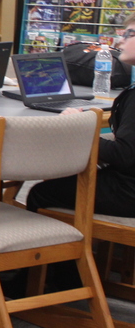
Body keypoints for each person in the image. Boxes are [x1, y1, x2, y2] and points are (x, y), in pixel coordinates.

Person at [27, 12, 135, 218]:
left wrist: (78, 128)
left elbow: (125, 155)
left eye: (129, 34)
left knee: (40, 194)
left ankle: (60, 248)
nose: (120, 41)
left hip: (128, 192)